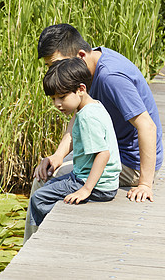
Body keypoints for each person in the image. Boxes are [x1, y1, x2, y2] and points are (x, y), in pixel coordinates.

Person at [34, 24, 163, 203]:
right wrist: (58, 155)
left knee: (46, 181)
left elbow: (147, 126)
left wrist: (145, 184)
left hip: (130, 162)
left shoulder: (111, 77)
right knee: (47, 171)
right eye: (49, 66)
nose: (52, 72)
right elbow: (79, 116)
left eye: (56, 64)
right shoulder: (87, 65)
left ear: (79, 55)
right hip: (108, 147)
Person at [29, 57, 121, 229]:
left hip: (94, 185)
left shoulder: (88, 117)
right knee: (48, 186)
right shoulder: (93, 106)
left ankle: (46, 231)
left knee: (38, 198)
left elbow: (103, 154)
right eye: (53, 99)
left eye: (62, 97)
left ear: (80, 89)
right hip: (97, 181)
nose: (57, 104)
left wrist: (86, 189)